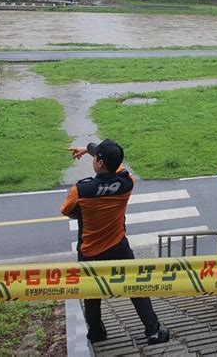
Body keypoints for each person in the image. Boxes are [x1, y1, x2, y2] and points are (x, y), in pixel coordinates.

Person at [60, 139, 170, 345]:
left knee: (91, 292)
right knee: (136, 286)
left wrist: (85, 213)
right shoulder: (126, 182)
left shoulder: (81, 190)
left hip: (90, 251)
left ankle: (97, 333)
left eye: (96, 157)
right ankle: (153, 331)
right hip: (119, 245)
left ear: (99, 162)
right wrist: (90, 150)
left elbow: (65, 210)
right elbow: (116, 164)